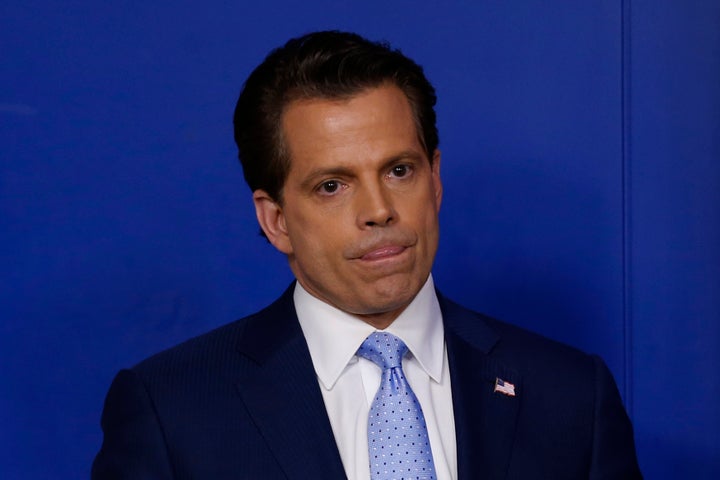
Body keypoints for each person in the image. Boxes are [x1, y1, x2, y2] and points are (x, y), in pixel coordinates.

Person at [92, 30, 642, 479]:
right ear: (276, 220)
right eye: (333, 185)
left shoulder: (571, 395)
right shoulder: (172, 409)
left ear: (436, 181)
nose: (379, 210)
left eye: (399, 171)